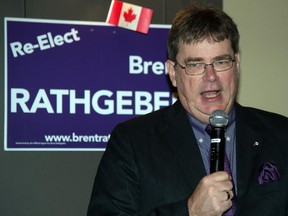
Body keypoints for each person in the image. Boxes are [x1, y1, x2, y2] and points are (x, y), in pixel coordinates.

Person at [87, 4, 288, 216]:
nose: (211, 77)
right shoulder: (132, 142)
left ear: (236, 64)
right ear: (173, 73)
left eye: (221, 62)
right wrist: (190, 211)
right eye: (195, 64)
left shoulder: (281, 134)